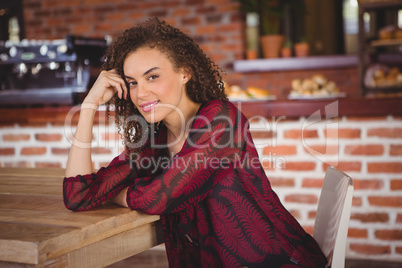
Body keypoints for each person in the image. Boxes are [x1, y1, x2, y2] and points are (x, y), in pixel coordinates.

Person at [63, 17, 327, 268]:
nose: (140, 93)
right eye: (132, 82)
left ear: (185, 73)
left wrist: (111, 193)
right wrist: (89, 105)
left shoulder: (221, 120)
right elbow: (77, 194)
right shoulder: (156, 140)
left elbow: (158, 197)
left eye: (152, 76)